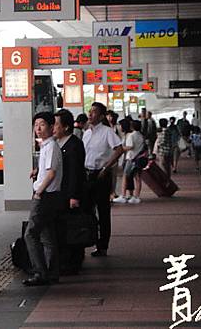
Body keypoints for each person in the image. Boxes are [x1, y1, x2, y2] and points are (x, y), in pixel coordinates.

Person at [23, 112, 63, 286]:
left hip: (45, 197)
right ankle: (52, 272)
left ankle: (40, 272)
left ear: (51, 127)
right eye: (36, 125)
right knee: (47, 236)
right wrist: (38, 172)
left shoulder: (52, 146)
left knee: (30, 234)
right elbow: (47, 168)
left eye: (42, 125)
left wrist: (39, 191)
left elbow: (52, 173)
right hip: (49, 196)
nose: (38, 129)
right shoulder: (46, 146)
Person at [82, 102, 124, 257]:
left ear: (101, 116)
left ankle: (103, 246)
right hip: (86, 175)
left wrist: (106, 167)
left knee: (103, 211)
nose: (90, 114)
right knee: (86, 210)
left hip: (100, 175)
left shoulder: (107, 132)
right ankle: (86, 239)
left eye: (94, 112)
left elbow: (119, 149)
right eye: (90, 111)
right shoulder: (86, 133)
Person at [53, 109, 85, 274]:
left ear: (65, 127)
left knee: (74, 228)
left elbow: (75, 173)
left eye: (56, 124)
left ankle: (74, 262)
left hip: (69, 193)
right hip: (60, 193)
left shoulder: (74, 144)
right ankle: (66, 260)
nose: (53, 128)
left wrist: (74, 196)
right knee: (64, 228)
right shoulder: (57, 143)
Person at [114, 120, 145, 204]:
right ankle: (136, 196)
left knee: (125, 176)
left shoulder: (131, 136)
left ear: (132, 126)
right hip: (138, 158)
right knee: (138, 178)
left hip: (131, 158)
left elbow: (130, 146)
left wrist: (121, 148)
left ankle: (123, 195)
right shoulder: (141, 135)